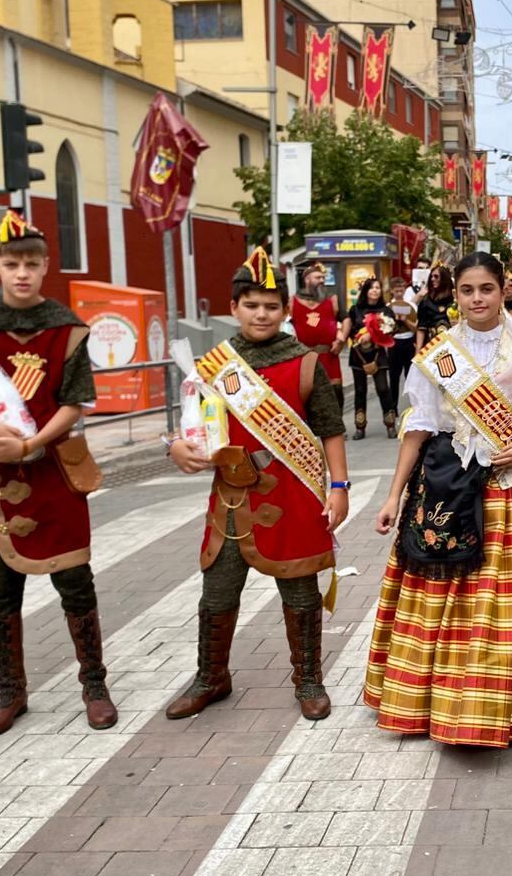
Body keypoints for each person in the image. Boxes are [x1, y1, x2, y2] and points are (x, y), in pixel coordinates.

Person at [365, 251, 512, 746]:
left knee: (501, 603)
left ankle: (501, 705)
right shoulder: (438, 355)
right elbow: (418, 427)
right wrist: (393, 496)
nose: (478, 299)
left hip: (510, 489)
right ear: (455, 295)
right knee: (442, 594)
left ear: (504, 289)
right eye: (468, 290)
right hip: (445, 488)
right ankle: (430, 701)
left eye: (487, 288)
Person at [0, 211, 116, 737]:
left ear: (46, 266)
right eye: (11, 264)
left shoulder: (68, 329)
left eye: (31, 263)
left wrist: (30, 441)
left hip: (52, 468)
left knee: (75, 581)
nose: (22, 273)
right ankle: (11, 690)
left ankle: (94, 684)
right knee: (0, 590)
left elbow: (76, 403)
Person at [164, 247, 350, 721]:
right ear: (234, 309)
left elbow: (331, 430)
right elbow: (192, 427)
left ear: (285, 311)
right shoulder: (213, 366)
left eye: (271, 305)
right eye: (251, 304)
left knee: (301, 593)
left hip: (292, 493)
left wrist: (340, 487)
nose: (261, 313)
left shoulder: (305, 363)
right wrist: (177, 449)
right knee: (217, 593)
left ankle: (308, 679)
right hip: (231, 497)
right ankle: (212, 677)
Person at [341, 277, 398, 440]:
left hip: (378, 354)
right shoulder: (355, 310)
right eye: (372, 288)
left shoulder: (386, 311)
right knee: (360, 391)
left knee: (383, 389)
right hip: (358, 355)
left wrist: (375, 336)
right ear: (366, 291)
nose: (375, 290)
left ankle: (390, 424)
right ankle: (360, 427)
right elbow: (350, 331)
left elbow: (393, 329)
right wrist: (360, 337)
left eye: (378, 288)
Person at [290, 262, 345, 413]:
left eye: (323, 277)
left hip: (329, 355)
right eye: (317, 277)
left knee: (335, 392)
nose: (322, 280)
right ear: (307, 280)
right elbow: (286, 327)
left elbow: (343, 320)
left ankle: (337, 426)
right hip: (305, 357)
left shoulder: (331, 299)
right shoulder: (292, 301)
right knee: (308, 394)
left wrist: (340, 339)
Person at [387, 275, 418, 395]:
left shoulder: (411, 306)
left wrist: (405, 320)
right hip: (394, 343)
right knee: (394, 376)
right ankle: (392, 409)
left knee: (410, 375)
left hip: (409, 342)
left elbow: (416, 328)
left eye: (401, 290)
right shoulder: (388, 307)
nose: (399, 293)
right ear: (391, 291)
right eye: (396, 291)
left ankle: (412, 405)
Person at [415, 264, 455, 350]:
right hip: (430, 346)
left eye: (436, 276)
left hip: (452, 345)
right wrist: (418, 350)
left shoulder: (455, 300)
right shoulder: (425, 302)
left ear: (444, 278)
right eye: (431, 277)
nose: (432, 279)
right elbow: (421, 328)